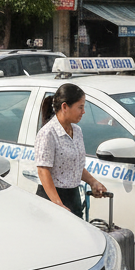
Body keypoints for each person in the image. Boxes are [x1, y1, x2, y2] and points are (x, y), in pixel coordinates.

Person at [34, 82, 107, 216]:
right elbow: (43, 170)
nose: (83, 111)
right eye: (80, 107)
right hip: (52, 198)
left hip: (73, 197)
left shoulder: (77, 131)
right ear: (65, 106)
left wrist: (93, 182)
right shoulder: (48, 133)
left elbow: (75, 165)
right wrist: (57, 204)